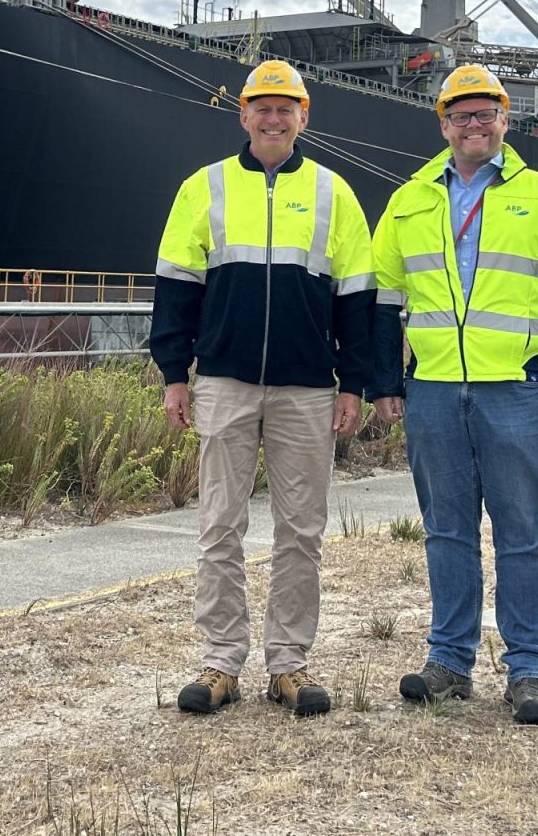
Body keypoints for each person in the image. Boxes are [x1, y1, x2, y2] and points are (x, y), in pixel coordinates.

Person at [371, 64, 538, 725]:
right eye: (461, 115)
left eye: (486, 114)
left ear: (506, 120)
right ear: (443, 124)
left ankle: (529, 670)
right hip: (436, 390)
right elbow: (383, 298)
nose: (474, 125)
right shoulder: (411, 199)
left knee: (523, 534)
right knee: (446, 531)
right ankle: (449, 661)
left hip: (515, 391)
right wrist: (386, 382)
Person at [152, 58, 379, 717]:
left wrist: (353, 383)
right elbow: (174, 289)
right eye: (263, 107)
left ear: (304, 117)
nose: (274, 117)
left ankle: (290, 665)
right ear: (244, 114)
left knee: (300, 529)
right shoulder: (206, 188)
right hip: (223, 381)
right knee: (219, 524)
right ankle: (221, 662)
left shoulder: (336, 195)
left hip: (307, 388)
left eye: (286, 108)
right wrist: (174, 373)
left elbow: (358, 299)